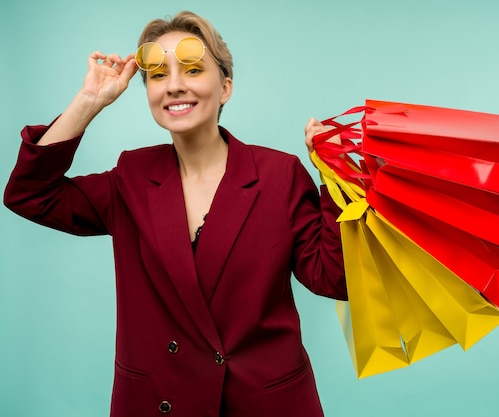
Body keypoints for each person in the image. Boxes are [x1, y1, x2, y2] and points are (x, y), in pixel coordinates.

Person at [4, 10, 347, 417]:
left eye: (192, 69)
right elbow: (29, 193)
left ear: (225, 88)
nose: (175, 86)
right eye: (159, 75)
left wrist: (337, 178)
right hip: (158, 403)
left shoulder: (280, 174)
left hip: (264, 404)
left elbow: (333, 278)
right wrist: (89, 102)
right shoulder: (131, 177)